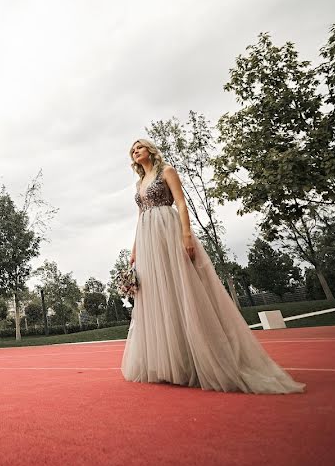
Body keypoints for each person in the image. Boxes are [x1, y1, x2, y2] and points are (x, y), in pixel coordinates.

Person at [120, 139, 304, 394]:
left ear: (150, 150)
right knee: (158, 295)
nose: (135, 151)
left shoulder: (167, 171)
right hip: (148, 238)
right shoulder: (139, 183)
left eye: (139, 147)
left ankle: (204, 358)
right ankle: (172, 363)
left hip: (168, 229)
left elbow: (181, 203)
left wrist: (186, 235)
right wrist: (135, 249)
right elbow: (140, 216)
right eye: (132, 150)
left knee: (183, 286)